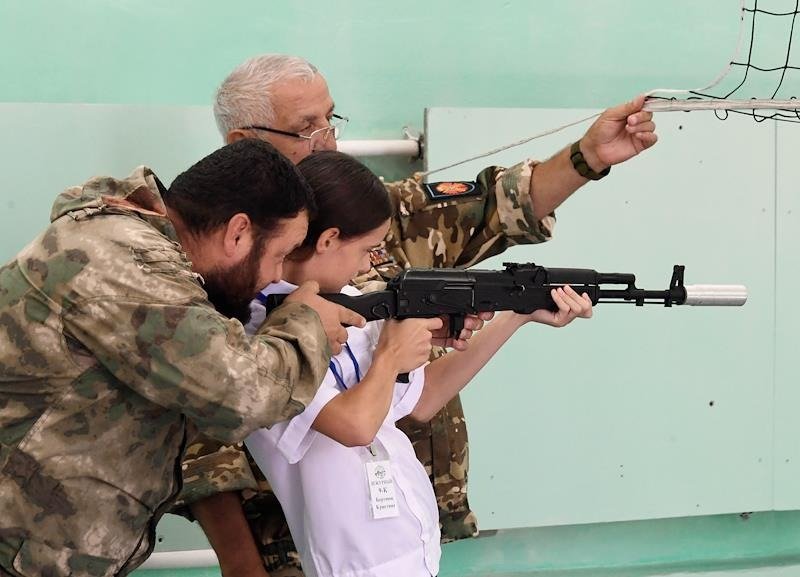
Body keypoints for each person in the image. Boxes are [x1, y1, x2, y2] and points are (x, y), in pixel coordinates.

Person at [179, 54, 658, 576]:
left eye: (330, 120)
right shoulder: (220, 266)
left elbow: (491, 207)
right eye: (305, 128)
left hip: (402, 526)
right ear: (244, 142)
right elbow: (204, 438)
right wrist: (241, 563)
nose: (327, 138)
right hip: (295, 542)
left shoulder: (367, 206)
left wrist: (587, 157)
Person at [0, 139, 367, 577]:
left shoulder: (143, 252)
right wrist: (307, 325)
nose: (275, 275)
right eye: (279, 256)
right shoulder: (123, 261)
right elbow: (242, 394)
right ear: (237, 232)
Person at [244, 150, 593, 577]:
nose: (367, 264)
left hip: (414, 555)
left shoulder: (348, 307)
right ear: (329, 239)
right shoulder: (265, 334)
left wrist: (515, 314)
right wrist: (390, 355)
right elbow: (354, 426)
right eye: (367, 250)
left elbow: (423, 399)